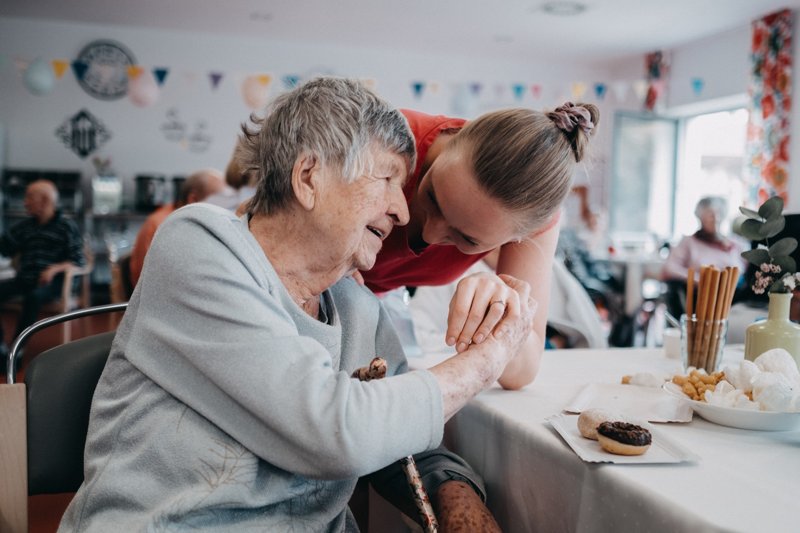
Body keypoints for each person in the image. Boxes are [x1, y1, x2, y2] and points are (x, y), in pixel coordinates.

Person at [59, 77, 535, 532]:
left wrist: (459, 499)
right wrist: (489, 357)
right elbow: (336, 431)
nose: (404, 211)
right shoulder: (199, 243)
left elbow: (398, 432)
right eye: (389, 180)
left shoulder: (356, 307)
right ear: (309, 176)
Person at [360, 102, 599, 389]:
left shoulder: (536, 221)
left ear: (519, 236)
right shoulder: (378, 137)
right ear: (452, 141)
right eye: (433, 196)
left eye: (467, 238)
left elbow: (523, 371)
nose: (431, 235)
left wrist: (503, 312)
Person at [0, 179, 84, 354]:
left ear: (45, 201)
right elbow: (4, 248)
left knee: (34, 297)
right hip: (25, 279)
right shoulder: (25, 227)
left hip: (53, 283)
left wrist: (54, 269)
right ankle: (1, 346)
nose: (25, 202)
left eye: (29, 197)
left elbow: (78, 260)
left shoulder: (66, 227)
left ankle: (17, 350)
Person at [128, 168, 226, 286]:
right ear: (193, 199)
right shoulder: (161, 224)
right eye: (220, 200)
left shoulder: (204, 225)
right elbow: (150, 283)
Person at [660, 196, 747, 317]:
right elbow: (669, 268)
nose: (715, 218)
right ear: (700, 217)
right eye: (710, 214)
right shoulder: (688, 242)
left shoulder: (736, 243)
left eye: (719, 213)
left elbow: (746, 268)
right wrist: (697, 279)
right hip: (702, 299)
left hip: (735, 299)